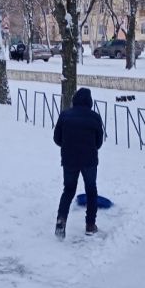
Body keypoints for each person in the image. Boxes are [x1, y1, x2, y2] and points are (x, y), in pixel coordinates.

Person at [53, 87, 104, 240]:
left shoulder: (65, 115)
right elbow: (99, 142)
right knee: (91, 191)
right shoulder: (95, 117)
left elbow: (56, 139)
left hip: (69, 159)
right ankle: (90, 225)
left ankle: (61, 220)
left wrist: (68, 145)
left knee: (68, 190)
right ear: (89, 102)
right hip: (89, 160)